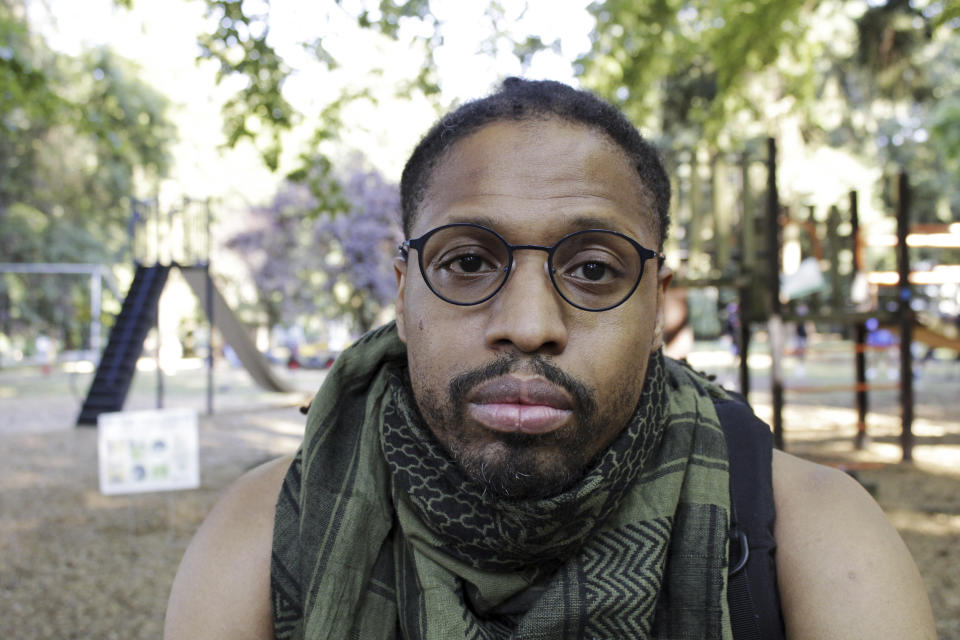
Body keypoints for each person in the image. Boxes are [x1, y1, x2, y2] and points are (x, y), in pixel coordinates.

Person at [164, 79, 936, 639]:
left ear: (658, 305)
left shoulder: (813, 536)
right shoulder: (267, 531)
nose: (529, 325)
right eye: (467, 262)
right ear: (403, 293)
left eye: (594, 269)